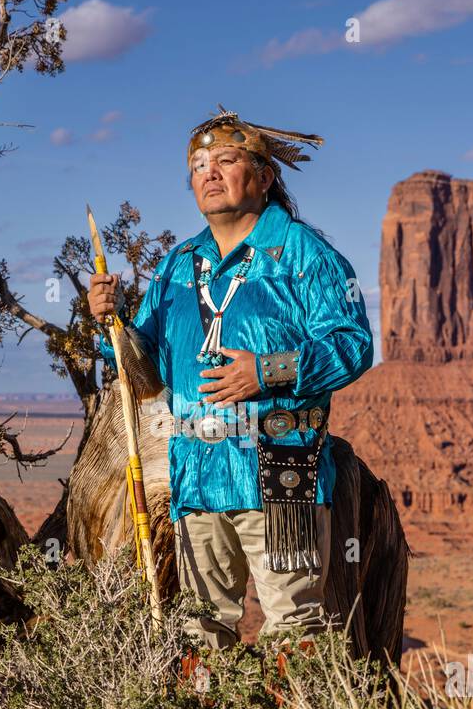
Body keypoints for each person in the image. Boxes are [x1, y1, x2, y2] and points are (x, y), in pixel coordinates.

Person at [87, 106, 373, 649]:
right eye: (198, 165)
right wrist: (113, 321)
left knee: (295, 626)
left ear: (264, 177)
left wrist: (266, 372)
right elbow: (140, 366)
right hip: (196, 473)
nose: (209, 173)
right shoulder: (178, 264)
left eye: (225, 160)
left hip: (282, 473)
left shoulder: (303, 256)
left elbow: (354, 347)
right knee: (199, 628)